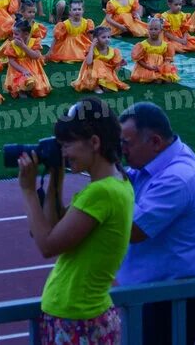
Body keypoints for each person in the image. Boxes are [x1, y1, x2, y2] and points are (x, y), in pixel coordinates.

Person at [17, 98, 133, 344]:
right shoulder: (115, 184)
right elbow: (55, 226)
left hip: (79, 319)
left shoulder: (101, 193)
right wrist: (55, 176)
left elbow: (48, 245)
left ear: (94, 142)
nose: (64, 153)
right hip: (81, 316)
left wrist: (28, 190)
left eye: (67, 144)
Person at [117, 103, 195, 345]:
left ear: (155, 142)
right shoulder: (160, 160)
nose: (122, 150)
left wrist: (105, 173)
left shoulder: (178, 177)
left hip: (170, 302)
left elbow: (134, 230)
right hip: (154, 297)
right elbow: (128, 184)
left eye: (127, 143)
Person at [0, 20, 51, 99]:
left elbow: (36, 56)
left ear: (26, 34)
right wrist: (23, 70)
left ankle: (29, 89)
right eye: (13, 33)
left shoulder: (35, 42)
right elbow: (11, 61)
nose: (14, 36)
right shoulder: (11, 44)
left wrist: (23, 46)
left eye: (16, 34)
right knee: (25, 80)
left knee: (40, 87)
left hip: (33, 67)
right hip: (17, 69)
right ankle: (21, 90)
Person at [71, 26, 129, 94]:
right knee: (97, 62)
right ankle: (96, 85)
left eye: (108, 37)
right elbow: (89, 62)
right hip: (92, 72)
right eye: (103, 37)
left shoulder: (114, 51)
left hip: (105, 73)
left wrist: (120, 65)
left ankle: (103, 84)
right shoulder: (91, 49)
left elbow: (114, 70)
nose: (107, 39)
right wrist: (92, 46)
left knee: (109, 89)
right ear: (96, 39)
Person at [130, 18, 179, 84]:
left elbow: (167, 59)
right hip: (146, 67)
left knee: (168, 80)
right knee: (157, 81)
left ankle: (158, 76)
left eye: (156, 29)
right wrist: (149, 67)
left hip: (160, 67)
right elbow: (139, 60)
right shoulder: (142, 45)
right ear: (148, 29)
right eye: (151, 29)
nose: (153, 31)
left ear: (160, 30)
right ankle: (153, 77)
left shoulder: (165, 45)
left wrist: (161, 67)